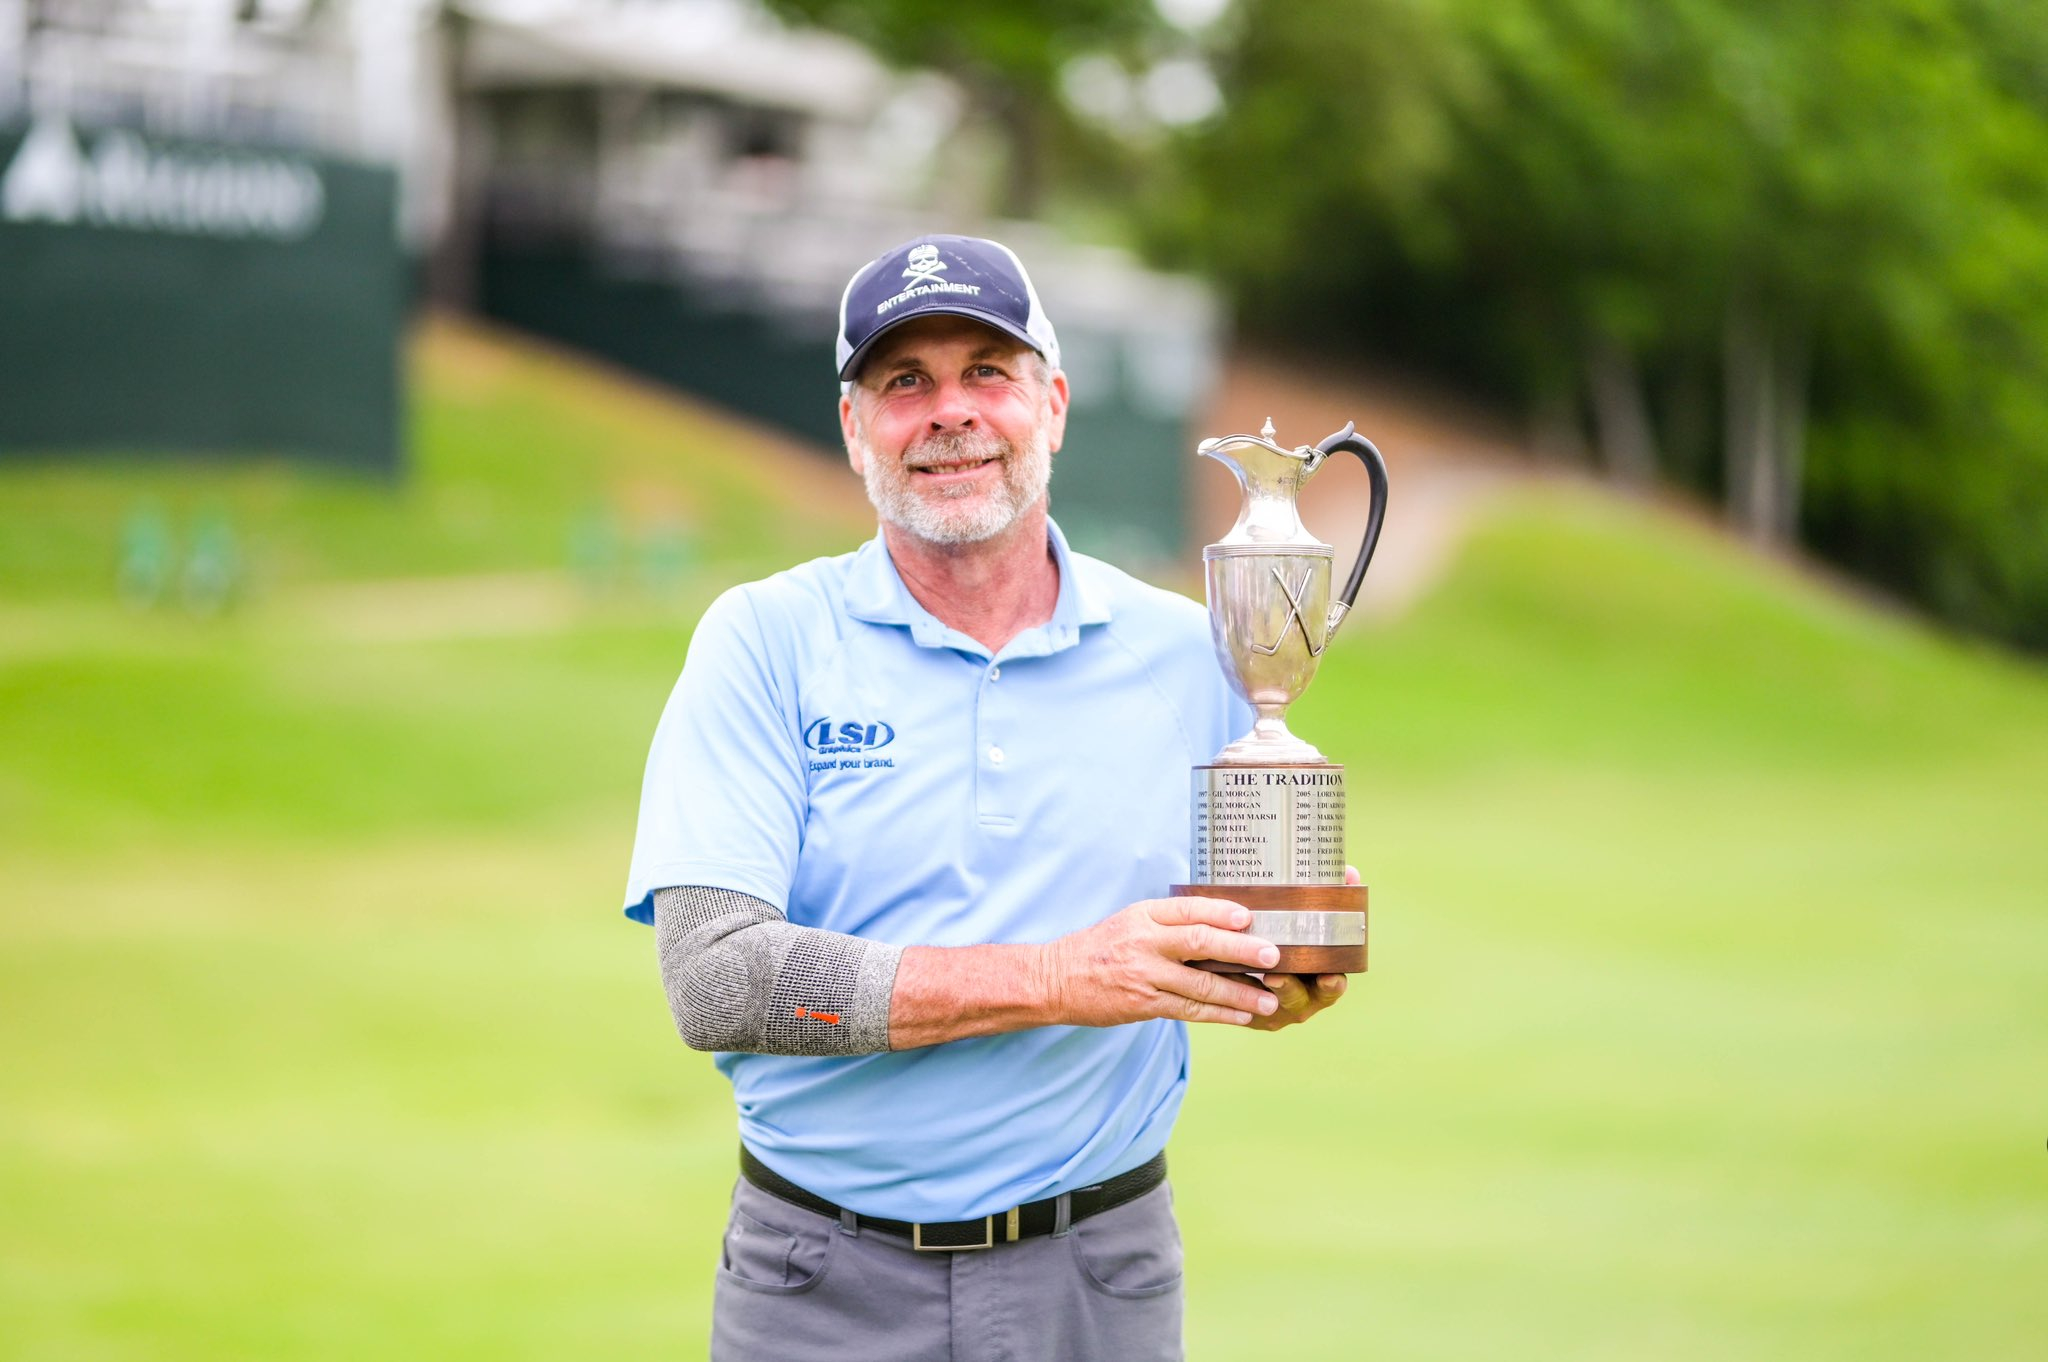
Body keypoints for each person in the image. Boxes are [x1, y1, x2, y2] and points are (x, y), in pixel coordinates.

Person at [623, 234, 1348, 1361]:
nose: (948, 411)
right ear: (853, 425)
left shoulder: (1193, 651)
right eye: (903, 381)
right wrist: (1061, 975)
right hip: (818, 1283)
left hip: (1095, 1276)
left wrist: (1284, 963)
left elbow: (1245, 936)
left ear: (1051, 405)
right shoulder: (764, 641)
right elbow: (715, 977)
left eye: (986, 372)